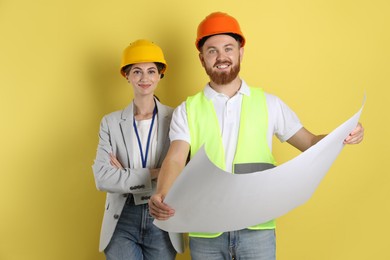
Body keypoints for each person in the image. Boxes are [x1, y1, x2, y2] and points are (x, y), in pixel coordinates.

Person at [149, 12, 365, 260]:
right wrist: (162, 193)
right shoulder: (187, 110)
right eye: (212, 51)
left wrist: (343, 134)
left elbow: (310, 143)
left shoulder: (270, 104)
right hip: (206, 228)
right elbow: (175, 158)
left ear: (240, 52)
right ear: (201, 59)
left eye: (228, 48)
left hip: (257, 229)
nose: (221, 57)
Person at [92, 39, 177, 260]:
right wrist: (157, 172)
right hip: (122, 215)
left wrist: (124, 174)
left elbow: (185, 169)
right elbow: (102, 178)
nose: (145, 78)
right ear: (127, 76)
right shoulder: (110, 123)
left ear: (160, 75)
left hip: (162, 213)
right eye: (137, 71)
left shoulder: (177, 117)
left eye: (151, 71)